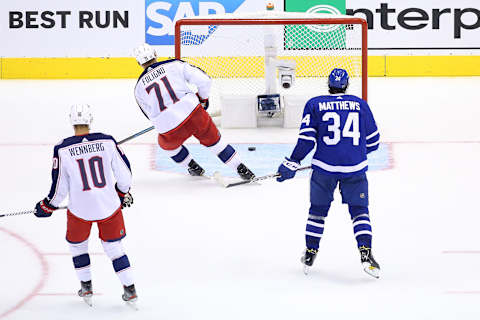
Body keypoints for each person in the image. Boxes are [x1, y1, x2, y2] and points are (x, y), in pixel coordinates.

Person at [276, 68, 381, 278]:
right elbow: (374, 142)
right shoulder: (360, 105)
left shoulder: (315, 104)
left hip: (324, 169)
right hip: (355, 169)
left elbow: (307, 141)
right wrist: (354, 152)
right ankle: (366, 253)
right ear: (347, 85)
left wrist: (292, 162)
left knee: (317, 211)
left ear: (328, 85)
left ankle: (310, 252)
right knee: (359, 211)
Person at [34, 104, 138, 306]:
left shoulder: (62, 148)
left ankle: (86, 287)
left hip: (80, 210)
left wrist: (48, 205)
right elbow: (125, 175)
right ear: (90, 119)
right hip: (109, 206)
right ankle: (130, 289)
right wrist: (121, 193)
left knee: (77, 246)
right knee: (114, 248)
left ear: (71, 121)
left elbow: (60, 186)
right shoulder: (107, 141)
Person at [133, 43, 255, 180]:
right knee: (214, 142)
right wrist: (203, 98)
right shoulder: (174, 65)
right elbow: (205, 80)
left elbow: (150, 115)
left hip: (169, 127)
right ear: (155, 54)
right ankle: (241, 168)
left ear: (138, 62)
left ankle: (191, 166)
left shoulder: (138, 88)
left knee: (167, 146)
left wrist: (166, 119)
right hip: (193, 113)